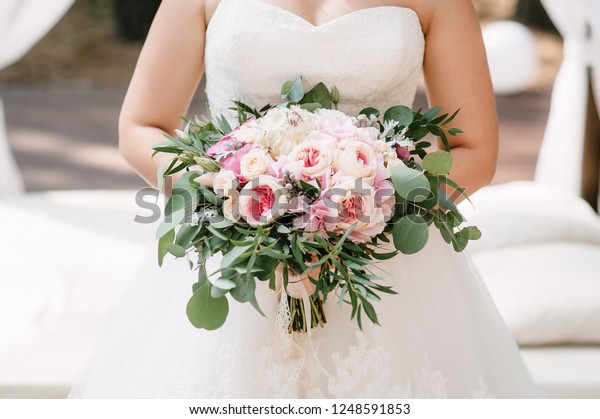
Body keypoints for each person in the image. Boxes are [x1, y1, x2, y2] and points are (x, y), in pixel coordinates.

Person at [70, 0, 541, 398]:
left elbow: (475, 150)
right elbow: (141, 126)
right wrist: (230, 201)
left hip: (387, 263)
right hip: (236, 259)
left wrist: (363, 212)